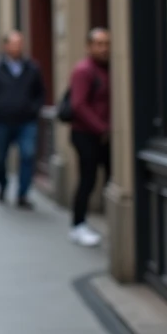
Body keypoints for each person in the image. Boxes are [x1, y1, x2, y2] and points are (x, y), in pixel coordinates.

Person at [0, 30, 45, 208]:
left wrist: (33, 109)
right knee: (0, 159)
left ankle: (22, 194)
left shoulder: (32, 67)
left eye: (19, 43)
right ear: (5, 46)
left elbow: (40, 93)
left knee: (28, 155)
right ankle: (2, 184)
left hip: (26, 121)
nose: (17, 47)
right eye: (13, 43)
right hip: (1, 121)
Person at [69, 28, 111, 247]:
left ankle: (111, 221)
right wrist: (102, 128)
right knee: (88, 179)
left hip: (105, 135)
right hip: (86, 134)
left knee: (110, 178)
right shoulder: (84, 71)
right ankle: (78, 225)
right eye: (99, 43)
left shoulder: (110, 69)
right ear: (89, 46)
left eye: (107, 43)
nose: (104, 48)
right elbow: (78, 105)